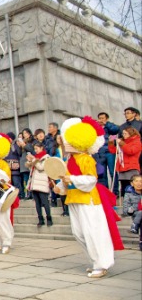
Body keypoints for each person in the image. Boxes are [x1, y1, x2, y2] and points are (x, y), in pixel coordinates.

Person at [54, 116, 124, 278]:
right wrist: (60, 187)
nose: (64, 143)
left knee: (92, 232)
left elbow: (91, 180)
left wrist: (70, 179)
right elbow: (67, 179)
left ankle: (101, 264)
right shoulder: (69, 160)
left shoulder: (86, 158)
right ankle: (95, 261)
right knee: (79, 233)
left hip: (88, 200)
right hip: (73, 199)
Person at [26, 142, 52, 226]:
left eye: (37, 148)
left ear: (41, 148)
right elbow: (32, 168)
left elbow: (41, 167)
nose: (35, 150)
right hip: (34, 183)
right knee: (37, 203)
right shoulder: (36, 157)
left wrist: (33, 160)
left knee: (45, 202)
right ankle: (40, 219)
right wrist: (30, 162)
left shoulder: (46, 157)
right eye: (35, 149)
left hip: (42, 182)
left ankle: (49, 218)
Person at [95, 112, 120, 188]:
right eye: (100, 118)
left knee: (112, 172)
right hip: (99, 152)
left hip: (109, 151)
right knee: (102, 173)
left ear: (107, 119)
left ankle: (115, 190)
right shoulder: (96, 127)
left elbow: (115, 131)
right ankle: (105, 190)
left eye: (103, 118)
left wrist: (106, 124)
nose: (101, 120)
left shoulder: (110, 125)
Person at [114, 127, 141, 197]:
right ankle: (125, 202)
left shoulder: (137, 142)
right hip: (122, 167)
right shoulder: (123, 142)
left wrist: (122, 144)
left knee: (132, 187)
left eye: (125, 133)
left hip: (131, 167)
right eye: (123, 133)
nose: (123, 135)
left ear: (131, 133)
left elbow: (131, 151)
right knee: (124, 187)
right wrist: (111, 142)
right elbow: (114, 151)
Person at [17, 129, 35, 200]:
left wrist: (24, 145)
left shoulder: (32, 141)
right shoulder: (23, 142)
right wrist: (19, 146)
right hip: (23, 163)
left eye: (26, 133)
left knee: (31, 178)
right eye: (24, 133)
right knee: (25, 179)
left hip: (30, 162)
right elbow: (19, 153)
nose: (25, 134)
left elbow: (31, 150)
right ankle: (27, 193)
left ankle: (32, 193)